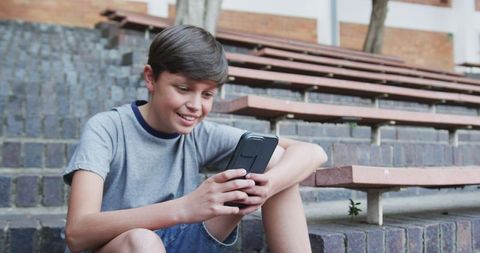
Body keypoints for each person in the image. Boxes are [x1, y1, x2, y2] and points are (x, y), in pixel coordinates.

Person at [63, 25, 327, 253]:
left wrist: (266, 187)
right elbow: (77, 233)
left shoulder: (200, 134)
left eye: (207, 95)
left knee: (276, 158)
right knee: (142, 241)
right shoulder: (107, 128)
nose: (195, 105)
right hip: (122, 245)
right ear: (150, 78)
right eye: (183, 89)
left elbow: (313, 152)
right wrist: (186, 207)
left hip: (184, 239)